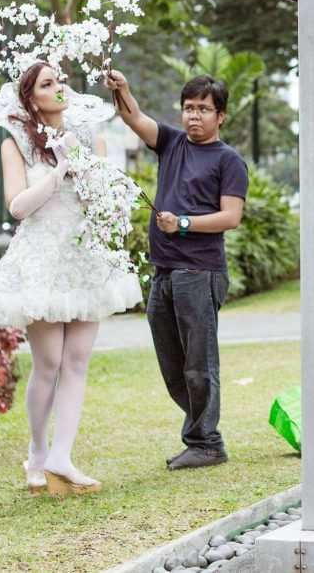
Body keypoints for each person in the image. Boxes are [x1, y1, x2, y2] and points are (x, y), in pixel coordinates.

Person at [0, 62, 143, 497]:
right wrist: (58, 170)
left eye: (61, 81)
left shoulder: (90, 136)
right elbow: (17, 207)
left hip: (84, 256)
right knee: (48, 363)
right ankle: (37, 451)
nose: (59, 88)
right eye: (48, 84)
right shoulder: (14, 144)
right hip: (42, 260)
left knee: (77, 360)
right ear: (32, 99)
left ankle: (61, 457)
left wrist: (87, 168)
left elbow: (101, 199)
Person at [104, 71, 248, 471]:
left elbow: (231, 217)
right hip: (164, 271)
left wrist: (182, 223)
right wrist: (122, 88)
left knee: (199, 363)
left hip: (199, 272)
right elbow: (133, 117)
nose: (194, 116)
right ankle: (200, 430)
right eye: (188, 108)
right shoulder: (171, 142)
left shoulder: (228, 160)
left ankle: (207, 442)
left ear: (221, 115)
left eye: (203, 109)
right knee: (173, 364)